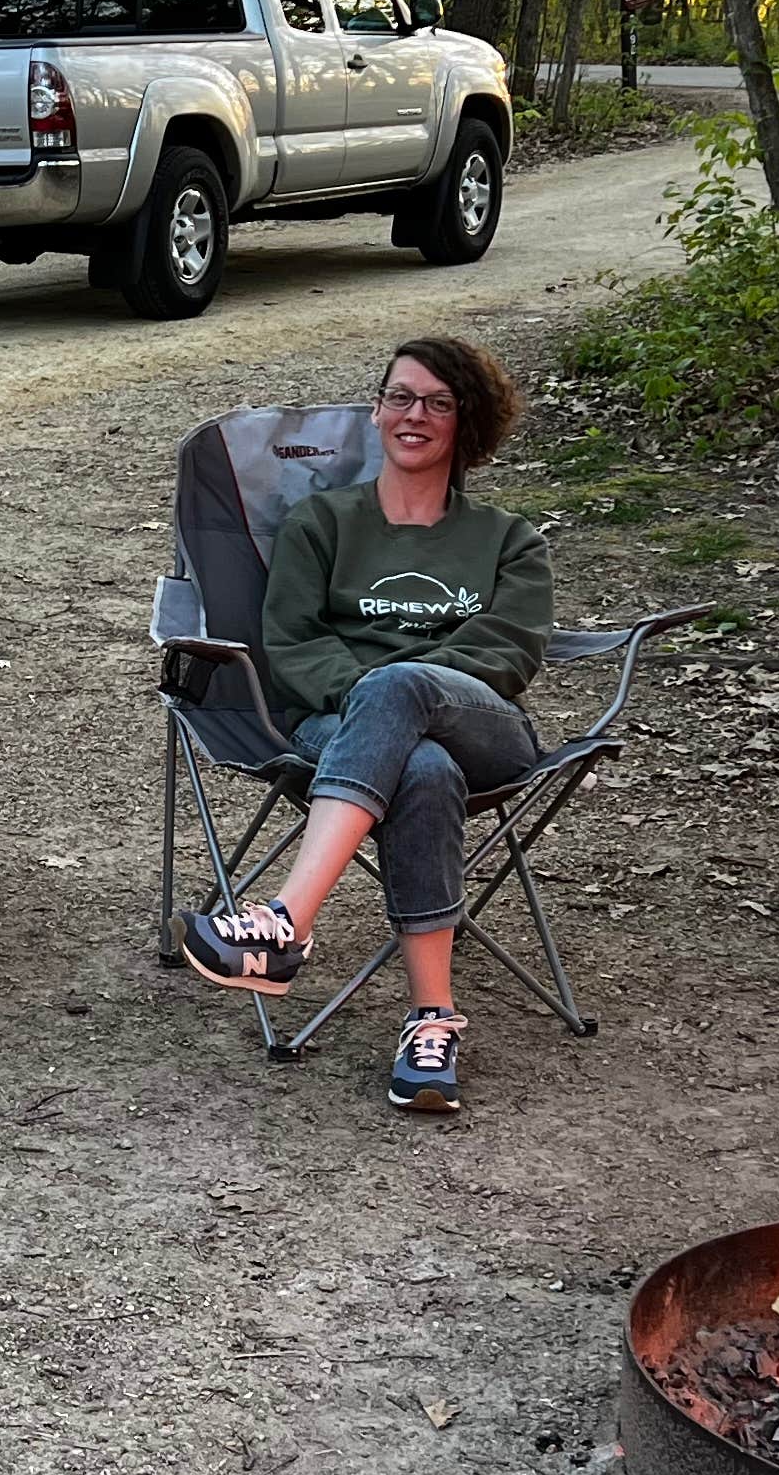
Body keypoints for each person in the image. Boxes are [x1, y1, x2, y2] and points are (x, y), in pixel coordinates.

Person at [177, 335, 552, 1115]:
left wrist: (402, 691)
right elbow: (293, 645)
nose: (414, 414)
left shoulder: (508, 540)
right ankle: (431, 1024)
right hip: (339, 731)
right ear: (378, 410)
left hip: (483, 729)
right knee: (418, 770)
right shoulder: (321, 524)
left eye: (439, 402)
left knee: (405, 687)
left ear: (467, 424)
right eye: (400, 397)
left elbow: (507, 651)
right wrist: (379, 709)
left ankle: (284, 924)